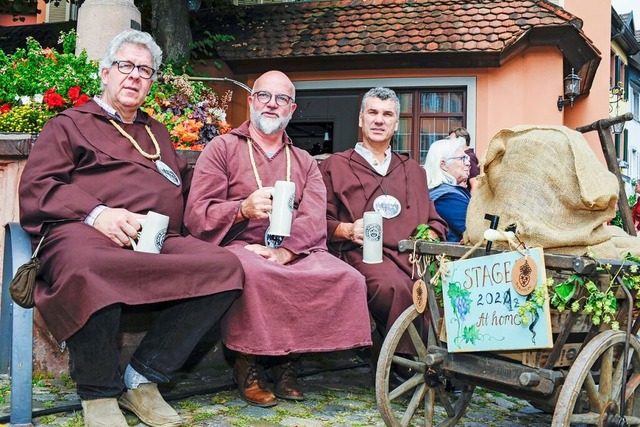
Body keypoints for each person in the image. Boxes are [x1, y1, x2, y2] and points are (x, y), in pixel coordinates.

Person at [18, 30, 244, 427]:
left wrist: (239, 209)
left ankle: (142, 378)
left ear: (152, 81)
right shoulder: (68, 125)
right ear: (105, 73)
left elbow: (188, 191)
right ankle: (98, 392)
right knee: (88, 265)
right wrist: (97, 213)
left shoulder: (157, 133)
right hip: (84, 232)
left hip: (156, 238)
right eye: (125, 66)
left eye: (145, 70)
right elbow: (39, 187)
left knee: (225, 268)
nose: (134, 76)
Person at [183, 70, 372, 407]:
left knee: (344, 276)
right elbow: (197, 213)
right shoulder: (222, 147)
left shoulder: (303, 160)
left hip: (296, 247)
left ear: (292, 109)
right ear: (252, 101)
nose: (272, 104)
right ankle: (248, 363)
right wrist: (241, 209)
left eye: (281, 99)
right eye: (265, 96)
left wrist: (286, 251)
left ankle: (288, 361)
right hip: (238, 243)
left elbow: (315, 215)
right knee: (255, 273)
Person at [319, 87, 447, 357]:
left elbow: (434, 218)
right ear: (361, 119)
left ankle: (446, 358)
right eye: (373, 112)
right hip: (363, 255)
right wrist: (346, 229)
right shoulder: (335, 165)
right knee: (394, 287)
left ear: (396, 123)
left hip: (411, 258)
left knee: (444, 287)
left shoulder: (412, 170)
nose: (379, 120)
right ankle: (407, 361)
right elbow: (319, 219)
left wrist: (432, 234)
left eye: (387, 114)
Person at [423, 138, 471, 242]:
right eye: (462, 158)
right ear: (443, 164)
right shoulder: (448, 198)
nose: (467, 163)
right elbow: (475, 231)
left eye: (466, 158)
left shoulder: (443, 192)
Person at [449, 126, 479, 191]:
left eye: (452, 140)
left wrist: (470, 201)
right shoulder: (466, 156)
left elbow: (475, 184)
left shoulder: (469, 157)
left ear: (462, 140)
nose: (450, 143)